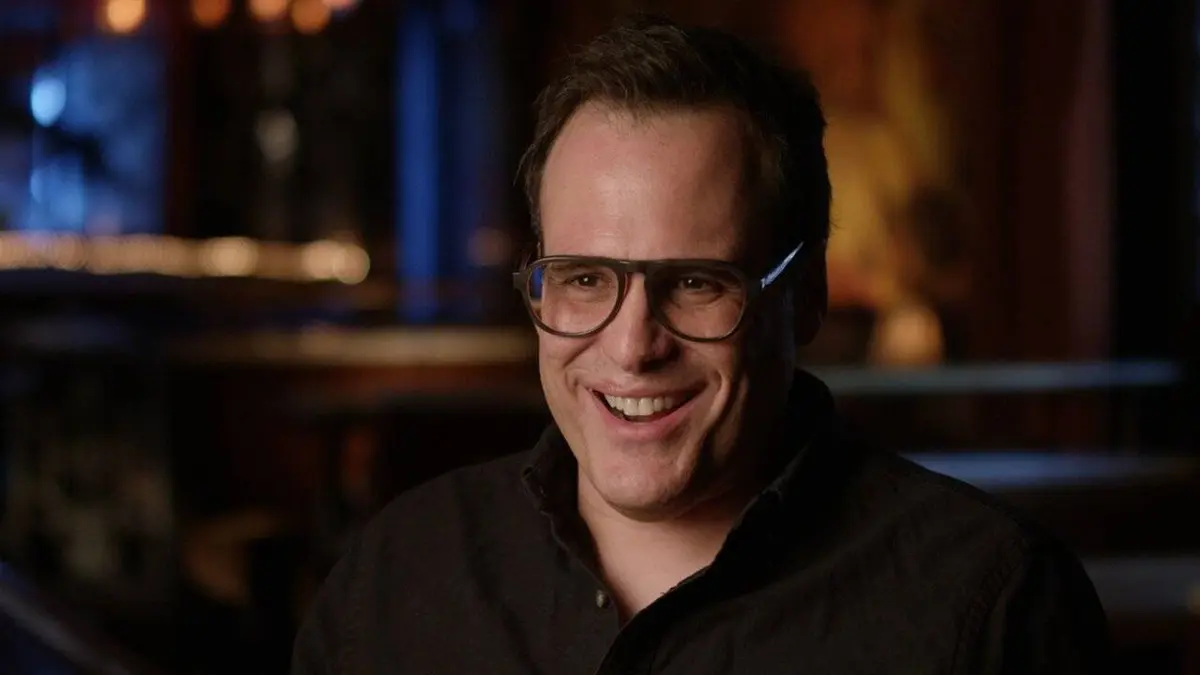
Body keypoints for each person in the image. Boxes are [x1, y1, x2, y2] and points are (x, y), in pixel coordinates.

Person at [292, 14, 1111, 674]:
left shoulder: (991, 605)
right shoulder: (397, 576)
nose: (632, 346)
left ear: (806, 294)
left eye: (694, 281)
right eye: (584, 278)